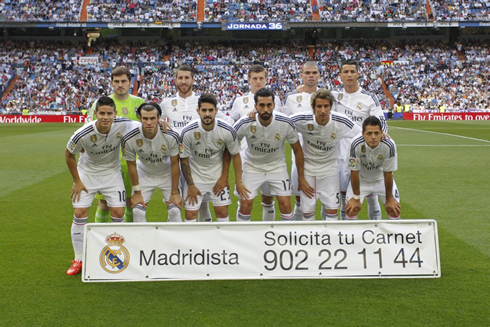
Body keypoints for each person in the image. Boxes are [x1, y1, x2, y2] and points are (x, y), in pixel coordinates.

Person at [65, 97, 133, 276]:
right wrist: (77, 181)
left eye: (109, 113)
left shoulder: (124, 124)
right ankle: (78, 259)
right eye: (102, 113)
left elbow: (145, 125)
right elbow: (69, 154)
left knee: (118, 212)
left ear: (115, 114)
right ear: (95, 114)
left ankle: (118, 255)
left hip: (112, 174)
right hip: (87, 175)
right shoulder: (83, 133)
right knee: (80, 213)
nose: (105, 117)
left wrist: (166, 126)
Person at [161, 65, 233, 222]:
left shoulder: (202, 101)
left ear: (193, 80)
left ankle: (202, 242)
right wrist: (160, 121)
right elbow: (154, 118)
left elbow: (228, 122)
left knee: (201, 202)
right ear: (175, 80)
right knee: (174, 203)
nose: (184, 81)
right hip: (174, 160)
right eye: (180, 78)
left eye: (187, 77)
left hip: (196, 161)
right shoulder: (167, 102)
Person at [234, 88, 313, 222]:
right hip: (252, 167)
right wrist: (238, 179)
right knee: (245, 204)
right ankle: (242, 240)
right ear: (255, 106)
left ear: (274, 106)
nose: (265, 109)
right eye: (261, 105)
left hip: (277, 167)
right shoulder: (245, 122)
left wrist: (301, 177)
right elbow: (230, 147)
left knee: (286, 204)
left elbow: (298, 150)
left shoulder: (285, 122)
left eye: (269, 105)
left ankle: (286, 238)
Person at [291, 88, 361, 221]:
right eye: (319, 106)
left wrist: (382, 135)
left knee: (332, 212)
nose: (323, 110)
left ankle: (331, 241)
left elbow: (362, 134)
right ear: (313, 107)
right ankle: (309, 240)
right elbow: (281, 122)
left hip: (330, 171)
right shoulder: (302, 119)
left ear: (331, 106)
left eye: (326, 106)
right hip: (308, 172)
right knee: (307, 213)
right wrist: (256, 113)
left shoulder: (341, 121)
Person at [87, 67, 145, 223]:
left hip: (133, 164)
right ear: (111, 83)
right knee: (105, 203)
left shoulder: (140, 103)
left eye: (124, 81)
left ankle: (129, 240)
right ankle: (101, 241)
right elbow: (88, 131)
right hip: (107, 163)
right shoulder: (101, 104)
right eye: (117, 81)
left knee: (131, 202)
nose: (120, 85)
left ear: (130, 82)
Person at [332, 60, 388, 221]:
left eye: (352, 72)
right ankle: (345, 235)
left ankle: (375, 233)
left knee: (371, 196)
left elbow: (380, 118)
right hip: (342, 155)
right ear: (340, 76)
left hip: (365, 155)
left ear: (358, 74)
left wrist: (383, 132)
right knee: (345, 199)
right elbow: (315, 98)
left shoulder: (369, 98)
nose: (349, 75)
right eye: (346, 72)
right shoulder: (335, 97)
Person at [180, 93, 249, 222]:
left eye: (211, 110)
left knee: (222, 214)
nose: (207, 114)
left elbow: (235, 155)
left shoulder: (227, 130)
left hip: (217, 178)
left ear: (216, 110)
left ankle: (222, 242)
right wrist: (190, 185)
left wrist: (227, 178)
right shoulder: (188, 131)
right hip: (195, 178)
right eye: (204, 110)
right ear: (198, 111)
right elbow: (184, 160)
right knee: (190, 216)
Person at [229, 65, 282, 221]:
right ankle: (241, 238)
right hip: (246, 158)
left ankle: (267, 234)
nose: (258, 82)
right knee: (245, 200)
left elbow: (280, 121)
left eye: (261, 78)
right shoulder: (239, 101)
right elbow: (233, 128)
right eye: (255, 78)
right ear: (249, 79)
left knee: (268, 198)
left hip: (270, 157)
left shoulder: (275, 99)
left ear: (266, 79)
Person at [121, 102, 182, 223]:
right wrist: (137, 192)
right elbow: (131, 165)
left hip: (167, 175)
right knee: (137, 212)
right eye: (145, 118)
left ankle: (175, 241)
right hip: (144, 174)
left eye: (153, 118)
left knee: (175, 211)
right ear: (139, 118)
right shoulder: (129, 138)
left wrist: (174, 192)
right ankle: (143, 241)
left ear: (159, 118)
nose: (149, 122)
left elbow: (175, 164)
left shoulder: (171, 135)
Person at [282, 61, 321, 220]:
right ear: (301, 75)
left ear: (319, 75)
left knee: (328, 200)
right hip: (299, 155)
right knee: (299, 197)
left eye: (314, 73)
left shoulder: (327, 95)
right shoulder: (292, 97)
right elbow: (284, 122)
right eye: (307, 73)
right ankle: (297, 233)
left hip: (324, 155)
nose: (311, 76)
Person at [345, 116, 400, 220]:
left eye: (376, 133)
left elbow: (388, 173)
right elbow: (354, 172)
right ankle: (352, 235)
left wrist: (389, 198)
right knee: (351, 209)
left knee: (394, 208)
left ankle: (393, 236)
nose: (373, 137)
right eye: (369, 133)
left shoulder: (389, 145)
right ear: (363, 134)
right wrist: (356, 198)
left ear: (381, 133)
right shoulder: (355, 144)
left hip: (381, 180)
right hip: (361, 180)